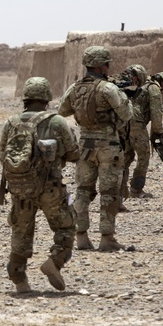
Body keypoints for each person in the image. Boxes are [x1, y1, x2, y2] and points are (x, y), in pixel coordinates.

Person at [0, 76, 79, 294]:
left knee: (21, 234)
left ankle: (19, 279)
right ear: (46, 98)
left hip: (20, 189)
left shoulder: (11, 122)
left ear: (26, 98)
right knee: (66, 226)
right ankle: (55, 262)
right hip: (50, 188)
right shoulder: (57, 121)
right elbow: (73, 153)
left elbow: (2, 155)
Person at [58, 46, 133, 252]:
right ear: (101, 66)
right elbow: (127, 114)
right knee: (108, 193)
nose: (109, 68)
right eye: (107, 64)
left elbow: (61, 110)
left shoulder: (74, 88)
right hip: (108, 146)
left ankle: (81, 237)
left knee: (82, 192)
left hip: (85, 145)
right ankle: (107, 239)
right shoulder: (107, 88)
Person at [118, 64, 163, 200]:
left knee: (126, 156)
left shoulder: (139, 85)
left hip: (123, 122)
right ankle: (136, 189)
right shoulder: (153, 88)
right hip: (136, 123)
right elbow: (156, 113)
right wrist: (158, 132)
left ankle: (120, 189)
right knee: (143, 155)